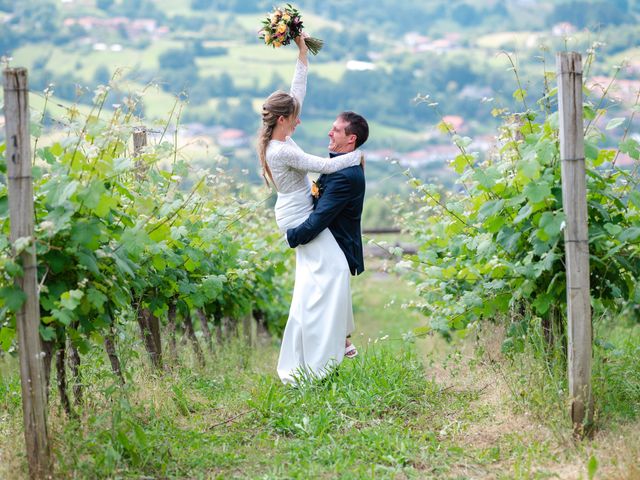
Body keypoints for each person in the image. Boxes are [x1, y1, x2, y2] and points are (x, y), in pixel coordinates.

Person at [257, 35, 364, 384]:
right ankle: (331, 348)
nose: (300, 123)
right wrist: (357, 156)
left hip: (300, 208)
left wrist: (302, 55)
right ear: (283, 120)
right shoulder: (282, 150)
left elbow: (296, 93)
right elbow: (326, 165)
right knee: (333, 271)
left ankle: (336, 341)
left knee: (320, 279)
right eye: (295, 119)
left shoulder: (282, 134)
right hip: (296, 216)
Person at [285, 110, 369, 364]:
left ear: (351, 138)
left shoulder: (344, 176)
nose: (329, 133)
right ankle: (329, 356)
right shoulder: (341, 167)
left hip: (334, 253)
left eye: (336, 129)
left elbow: (320, 218)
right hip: (326, 250)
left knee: (316, 314)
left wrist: (292, 236)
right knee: (314, 312)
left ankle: (321, 369)